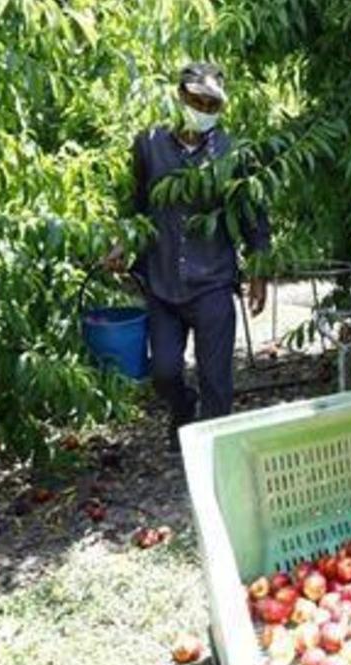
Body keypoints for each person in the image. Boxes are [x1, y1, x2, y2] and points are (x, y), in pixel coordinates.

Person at [106, 62, 269, 450]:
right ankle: (182, 408)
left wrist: (260, 268)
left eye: (213, 105)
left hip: (212, 279)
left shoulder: (231, 153)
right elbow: (137, 205)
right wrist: (123, 242)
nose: (204, 110)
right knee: (163, 371)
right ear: (180, 96)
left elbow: (253, 214)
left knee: (217, 378)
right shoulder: (148, 143)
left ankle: (214, 452)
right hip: (162, 280)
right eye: (198, 100)